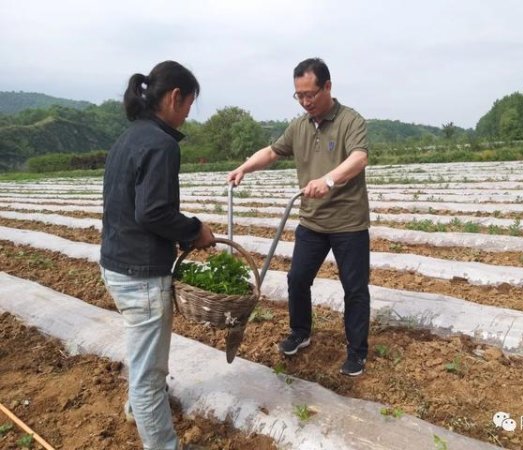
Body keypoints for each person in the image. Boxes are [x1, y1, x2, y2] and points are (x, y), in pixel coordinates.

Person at [227, 57, 370, 376]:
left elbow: (359, 158)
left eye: (310, 94)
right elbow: (272, 151)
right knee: (297, 279)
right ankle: (300, 332)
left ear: (327, 87)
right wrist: (244, 168)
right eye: (299, 95)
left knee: (354, 288)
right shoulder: (299, 126)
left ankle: (357, 351)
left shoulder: (350, 121)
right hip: (312, 222)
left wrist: (328, 180)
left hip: (348, 223)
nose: (305, 102)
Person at [100, 60, 215, 450]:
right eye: (188, 105)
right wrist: (195, 230)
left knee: (142, 353)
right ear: (174, 97)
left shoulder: (129, 137)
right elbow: (152, 212)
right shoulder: (161, 144)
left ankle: (138, 410)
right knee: (149, 376)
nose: (187, 115)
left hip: (117, 263)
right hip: (141, 274)